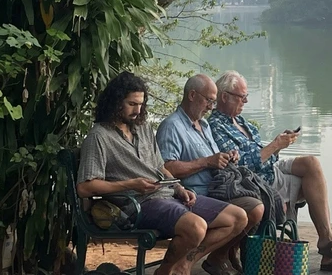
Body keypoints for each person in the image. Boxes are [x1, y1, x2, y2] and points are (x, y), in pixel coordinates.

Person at [77, 71, 247, 275]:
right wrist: (131, 184)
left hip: (168, 196)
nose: (138, 111)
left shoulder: (143, 128)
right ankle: (166, 271)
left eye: (141, 104)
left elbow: (160, 167)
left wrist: (178, 187)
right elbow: (85, 187)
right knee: (196, 227)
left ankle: (182, 264)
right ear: (115, 101)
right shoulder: (99, 136)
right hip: (138, 204)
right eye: (132, 104)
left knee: (237, 217)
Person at [209, 70, 332, 273]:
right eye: (242, 97)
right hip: (254, 180)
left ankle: (327, 240)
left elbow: (261, 154)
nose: (245, 102)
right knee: (309, 183)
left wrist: (278, 145)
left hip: (268, 168)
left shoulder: (241, 123)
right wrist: (275, 145)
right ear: (225, 96)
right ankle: (328, 249)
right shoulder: (215, 126)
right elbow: (243, 167)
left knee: (311, 163)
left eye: (246, 97)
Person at [156, 74, 264, 273]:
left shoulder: (204, 125)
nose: (211, 107)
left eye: (213, 102)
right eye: (208, 101)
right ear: (192, 95)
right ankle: (191, 261)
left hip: (216, 189)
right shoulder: (172, 126)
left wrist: (226, 157)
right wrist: (206, 162)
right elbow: (166, 168)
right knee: (248, 212)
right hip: (191, 195)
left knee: (258, 205)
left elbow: (212, 160)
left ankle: (204, 258)